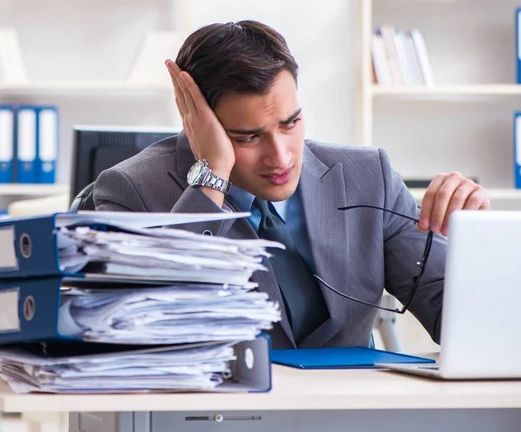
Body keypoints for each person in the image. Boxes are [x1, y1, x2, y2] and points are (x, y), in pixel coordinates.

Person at [94, 20, 490, 349]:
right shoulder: (132, 190)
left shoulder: (369, 177)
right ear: (197, 123)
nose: (281, 157)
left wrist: (479, 244)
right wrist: (211, 176)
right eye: (247, 137)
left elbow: (467, 327)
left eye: (290, 123)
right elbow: (141, 336)